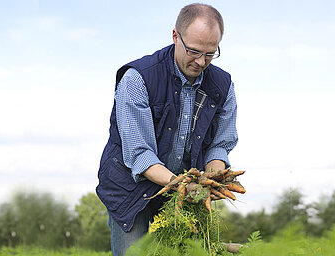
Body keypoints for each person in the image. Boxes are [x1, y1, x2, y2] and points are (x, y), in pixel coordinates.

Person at [96, 3, 238, 255]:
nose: (201, 61)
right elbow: (140, 153)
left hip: (182, 189)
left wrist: (211, 178)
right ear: (175, 36)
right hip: (129, 187)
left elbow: (220, 144)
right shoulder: (137, 79)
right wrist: (181, 184)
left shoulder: (222, 85)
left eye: (210, 53)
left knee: (189, 249)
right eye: (194, 51)